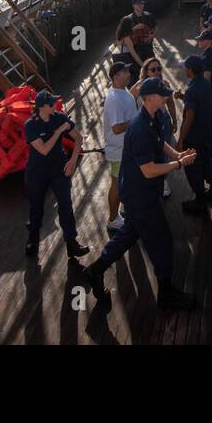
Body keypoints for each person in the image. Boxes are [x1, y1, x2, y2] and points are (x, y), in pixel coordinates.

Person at [84, 77, 198, 311]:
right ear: (151, 98)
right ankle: (166, 295)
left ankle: (95, 270)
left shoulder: (151, 117)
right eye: (163, 94)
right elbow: (148, 170)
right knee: (162, 242)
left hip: (141, 192)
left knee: (128, 235)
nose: (167, 96)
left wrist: (178, 155)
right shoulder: (139, 128)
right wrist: (179, 165)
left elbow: (160, 144)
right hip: (140, 196)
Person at [23, 89, 90, 260]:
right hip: (37, 171)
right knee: (36, 207)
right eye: (52, 103)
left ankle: (71, 243)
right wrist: (59, 131)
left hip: (58, 168)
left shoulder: (59, 117)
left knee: (65, 204)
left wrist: (73, 161)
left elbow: (78, 138)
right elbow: (44, 150)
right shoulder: (30, 125)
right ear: (42, 107)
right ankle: (33, 239)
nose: (55, 105)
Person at [177, 55, 212, 214]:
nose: (184, 69)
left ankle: (200, 202)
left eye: (185, 67)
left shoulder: (191, 90)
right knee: (207, 163)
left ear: (190, 70)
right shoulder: (206, 84)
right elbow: (200, 102)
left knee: (193, 167)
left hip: (194, 136)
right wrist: (182, 97)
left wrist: (181, 139)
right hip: (207, 132)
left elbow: (190, 116)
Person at [132, 58, 179, 199]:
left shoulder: (164, 84)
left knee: (163, 153)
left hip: (163, 120)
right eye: (153, 69)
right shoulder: (139, 87)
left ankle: (163, 181)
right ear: (146, 71)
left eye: (159, 69)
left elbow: (170, 103)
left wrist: (174, 119)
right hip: (147, 122)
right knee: (150, 152)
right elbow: (129, 101)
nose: (157, 72)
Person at [103, 61, 136, 235]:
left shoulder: (123, 90)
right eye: (125, 72)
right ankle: (113, 219)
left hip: (126, 147)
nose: (129, 74)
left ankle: (123, 211)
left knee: (124, 181)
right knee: (116, 183)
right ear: (116, 77)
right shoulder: (114, 99)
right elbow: (116, 128)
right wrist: (137, 121)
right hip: (119, 150)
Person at [116, 0, 157, 82]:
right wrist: (143, 66)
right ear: (134, 6)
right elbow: (133, 53)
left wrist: (151, 36)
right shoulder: (129, 20)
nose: (141, 5)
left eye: (142, 4)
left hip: (148, 47)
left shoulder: (149, 15)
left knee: (153, 67)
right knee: (141, 74)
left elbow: (155, 28)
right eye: (139, 4)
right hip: (136, 50)